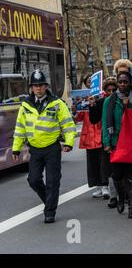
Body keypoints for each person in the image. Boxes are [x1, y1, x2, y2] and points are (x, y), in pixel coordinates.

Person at [12, 70, 77, 223]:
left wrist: (68, 143)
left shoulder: (57, 103)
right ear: (31, 88)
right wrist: (16, 148)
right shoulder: (25, 105)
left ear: (46, 86)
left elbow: (68, 125)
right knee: (33, 180)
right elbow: (20, 127)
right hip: (35, 149)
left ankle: (50, 211)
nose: (38, 88)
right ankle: (49, 199)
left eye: (41, 85)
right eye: (35, 86)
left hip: (52, 148)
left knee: (53, 181)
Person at [102, 71, 132, 218]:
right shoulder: (109, 101)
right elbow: (105, 122)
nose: (123, 85)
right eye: (120, 82)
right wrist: (106, 142)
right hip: (116, 142)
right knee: (117, 175)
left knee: (131, 175)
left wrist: (130, 105)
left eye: (125, 82)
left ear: (130, 82)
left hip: (131, 142)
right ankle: (120, 198)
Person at [75, 83, 109, 199]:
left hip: (100, 134)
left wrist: (94, 104)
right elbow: (78, 119)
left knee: (103, 163)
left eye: (91, 80)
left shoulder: (103, 96)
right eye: (88, 81)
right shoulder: (83, 96)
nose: (90, 82)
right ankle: (98, 186)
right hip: (89, 137)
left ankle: (105, 185)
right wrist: (75, 109)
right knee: (92, 163)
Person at [88, 77, 118, 208]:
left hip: (120, 137)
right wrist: (93, 106)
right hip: (107, 138)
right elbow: (93, 120)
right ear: (104, 91)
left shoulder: (120, 100)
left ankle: (124, 193)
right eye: (108, 90)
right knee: (108, 167)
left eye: (113, 89)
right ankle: (112, 194)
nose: (111, 92)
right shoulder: (101, 102)